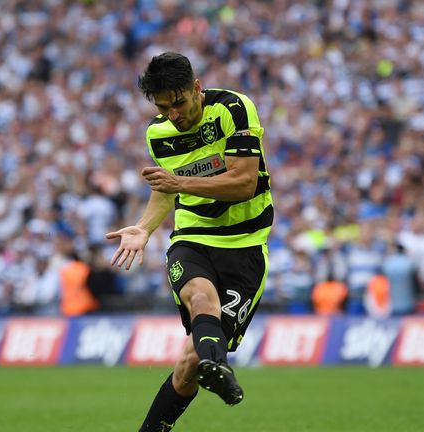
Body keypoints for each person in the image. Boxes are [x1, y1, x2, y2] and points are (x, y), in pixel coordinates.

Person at [106, 52, 273, 431]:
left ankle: (211, 364)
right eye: (163, 107)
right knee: (200, 297)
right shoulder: (158, 132)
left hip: (245, 244)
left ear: (197, 88)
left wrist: (181, 183)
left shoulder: (234, 109)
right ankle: (221, 369)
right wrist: (144, 228)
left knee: (187, 367)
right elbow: (166, 190)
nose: (173, 115)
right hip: (192, 236)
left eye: (179, 103)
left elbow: (244, 183)